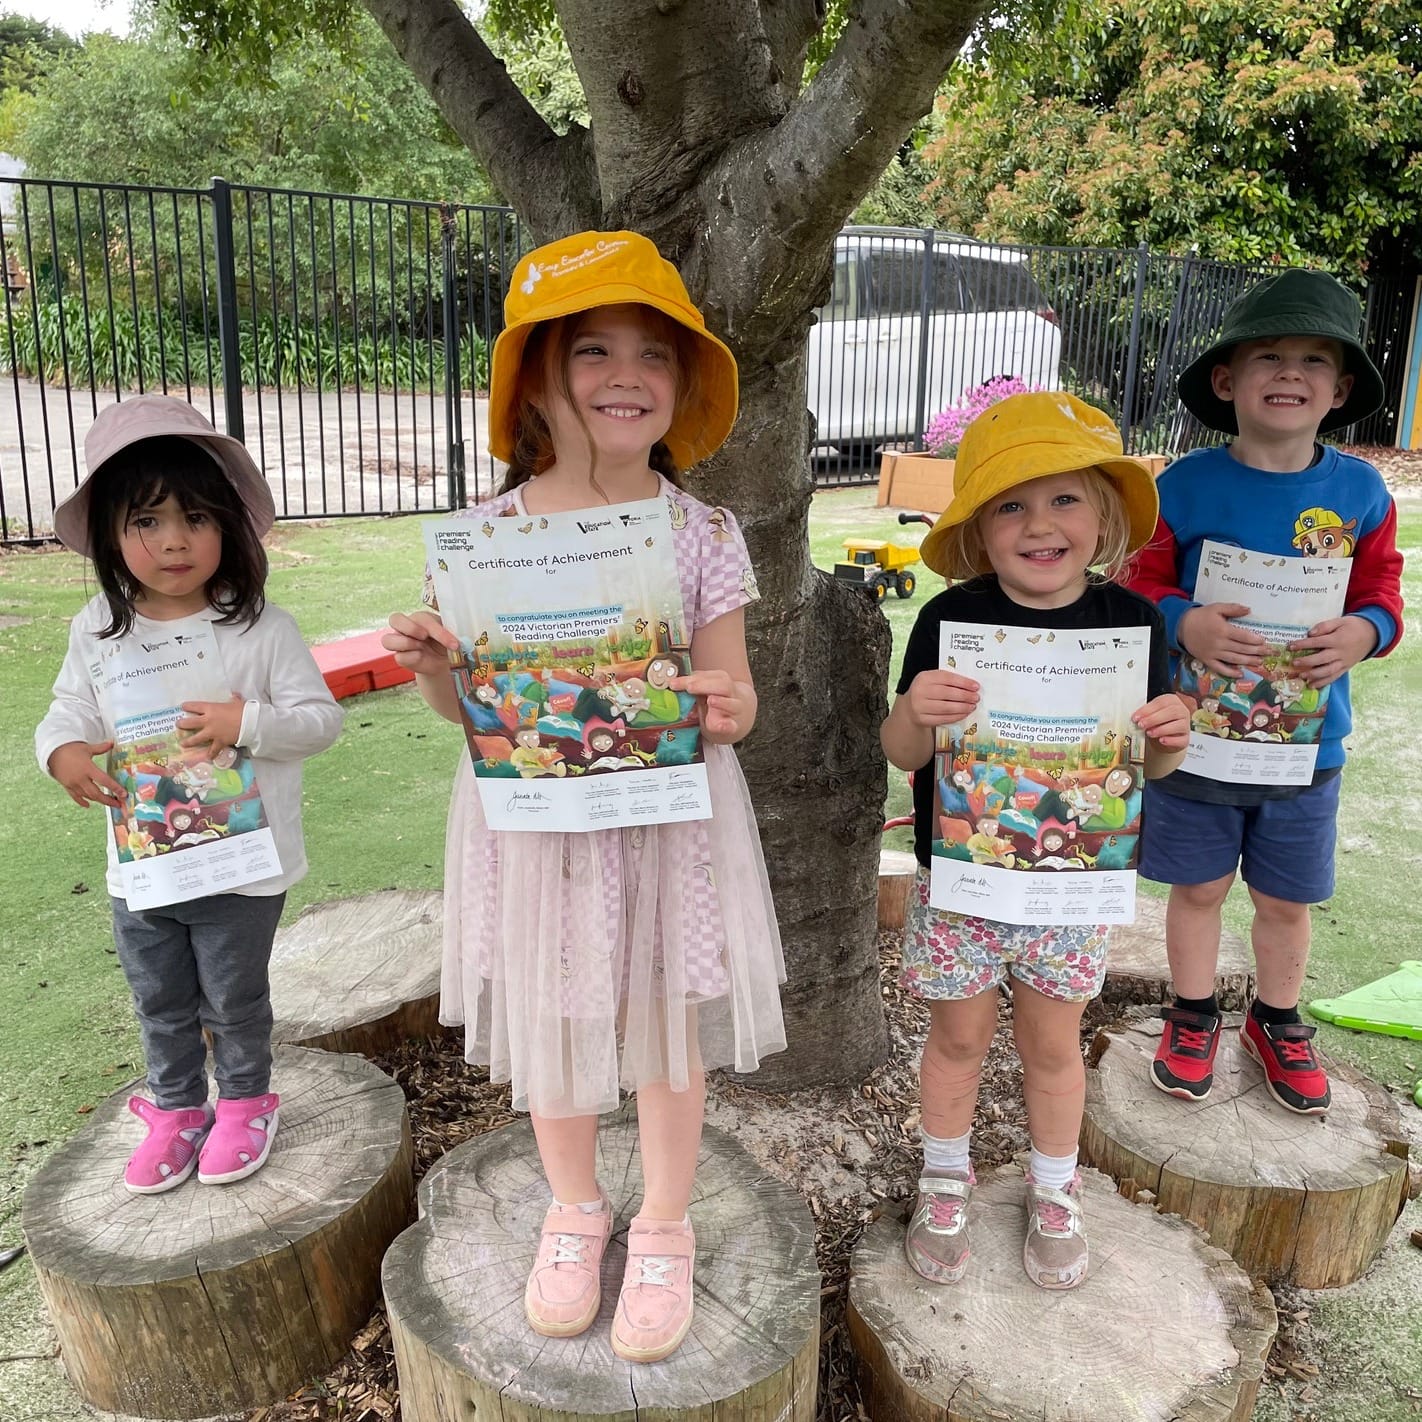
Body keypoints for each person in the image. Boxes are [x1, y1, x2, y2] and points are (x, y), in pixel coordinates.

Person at [385, 231, 786, 1363]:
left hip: (669, 821)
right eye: (592, 349)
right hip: (538, 831)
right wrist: (433, 668)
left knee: (666, 1024)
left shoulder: (703, 533)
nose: (626, 374)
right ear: (540, 383)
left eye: (654, 355)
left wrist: (719, 707)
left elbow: (740, 695)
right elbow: (466, 718)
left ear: (681, 385)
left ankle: (664, 1221)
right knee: (558, 1016)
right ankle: (575, 1208)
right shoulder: (486, 542)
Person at [882, 391, 1189, 1291]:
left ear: (1103, 518)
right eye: (1010, 504)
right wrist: (913, 713)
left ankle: (1055, 1189)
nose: (1038, 524)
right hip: (964, 885)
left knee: (1055, 1048)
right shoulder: (950, 618)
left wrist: (1170, 734)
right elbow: (901, 752)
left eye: (1063, 500)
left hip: (1071, 888)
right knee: (958, 1041)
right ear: (980, 529)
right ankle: (945, 1176)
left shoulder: (1134, 624)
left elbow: (1154, 773)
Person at [35, 396, 343, 1194]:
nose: (174, 539)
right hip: (144, 867)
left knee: (234, 997)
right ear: (110, 532)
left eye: (197, 517)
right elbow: (70, 708)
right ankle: (176, 1108)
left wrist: (249, 722)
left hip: (243, 863)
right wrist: (61, 751)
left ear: (229, 526)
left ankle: (243, 1101)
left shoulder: (262, 628)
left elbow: (318, 722)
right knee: (161, 998)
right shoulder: (97, 628)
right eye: (147, 520)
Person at [1126, 270, 1404, 1116]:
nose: (1291, 373)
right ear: (1227, 380)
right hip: (1197, 741)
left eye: (1314, 360)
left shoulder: (1360, 494)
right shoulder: (1182, 486)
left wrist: (1362, 635)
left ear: (1341, 388)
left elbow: (1383, 598)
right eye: (1270, 356)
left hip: (1306, 750)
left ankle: (1276, 1021)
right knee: (1200, 889)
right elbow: (1139, 584)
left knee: (1286, 899)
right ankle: (1193, 1012)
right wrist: (1184, 622)